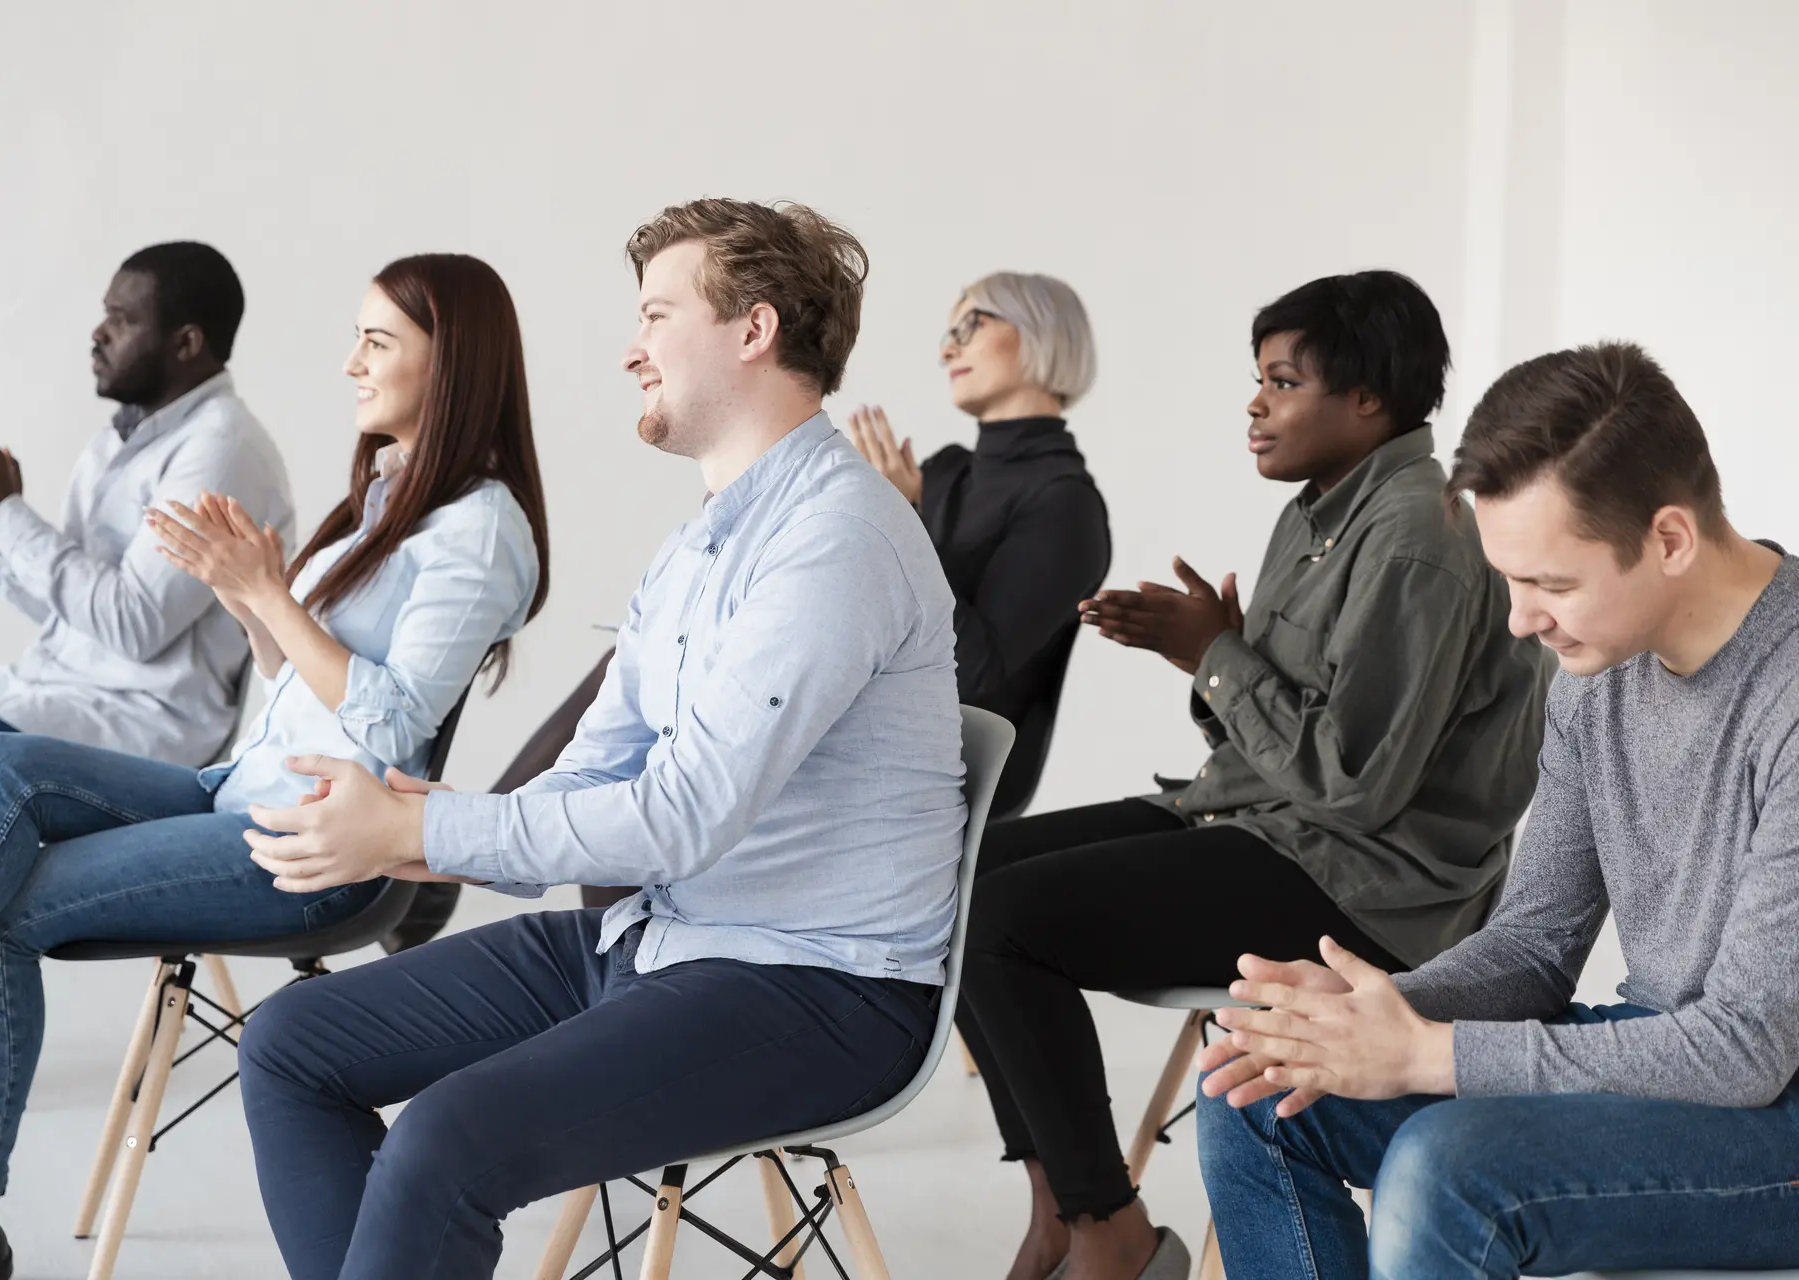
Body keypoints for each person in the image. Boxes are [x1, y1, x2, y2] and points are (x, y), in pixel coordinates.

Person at [230, 198, 964, 1280]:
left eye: (657, 315)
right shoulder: (695, 545)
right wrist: (412, 834)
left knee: (446, 1138)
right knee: (293, 1043)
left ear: (752, 330)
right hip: (659, 938)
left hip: (812, 984)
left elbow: (681, 814)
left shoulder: (836, 537)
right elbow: (600, 768)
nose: (630, 349)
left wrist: (420, 827)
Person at [0, 253, 549, 1280]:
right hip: (239, 785)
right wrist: (252, 601)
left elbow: (395, 719)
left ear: (451, 362)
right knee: (0, 759)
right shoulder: (387, 498)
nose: (349, 363)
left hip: (310, 837)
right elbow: (305, 691)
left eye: (377, 342)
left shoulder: (480, 528)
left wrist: (271, 597)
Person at [954, 271, 1554, 1280]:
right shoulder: (1320, 513)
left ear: (1368, 398)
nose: (1256, 401)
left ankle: (1113, 1231)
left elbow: (1356, 781)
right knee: (952, 875)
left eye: (1283, 380)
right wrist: (1215, 652)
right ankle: (1060, 1202)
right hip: (1264, 821)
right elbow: (1278, 740)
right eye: (1258, 378)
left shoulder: (1417, 537)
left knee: (1003, 917)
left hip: (1367, 884)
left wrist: (1217, 656)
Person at [1199, 342, 1799, 1278]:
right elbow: (1532, 946)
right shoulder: (1596, 672)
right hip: (1662, 1058)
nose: (1521, 621)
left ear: (1669, 540)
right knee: (1257, 1085)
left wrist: (1429, 1054)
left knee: (1446, 1170)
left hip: (1777, 1116)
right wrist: (1376, 1017)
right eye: (1509, 581)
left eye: (1551, 585)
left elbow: (1748, 1050)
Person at [0, 243, 294, 910]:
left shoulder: (220, 449)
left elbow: (134, 625)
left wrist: (7, 514)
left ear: (186, 342)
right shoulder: (118, 439)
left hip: (135, 720)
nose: (98, 333)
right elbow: (60, 611)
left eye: (122, 318)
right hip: (46, 686)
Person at [848, 273, 1111, 818]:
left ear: (1043, 332)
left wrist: (900, 525)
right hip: (863, 735)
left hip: (939, 783)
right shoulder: (943, 472)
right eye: (948, 333)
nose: (948, 349)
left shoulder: (1066, 504)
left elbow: (970, 672)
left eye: (972, 324)